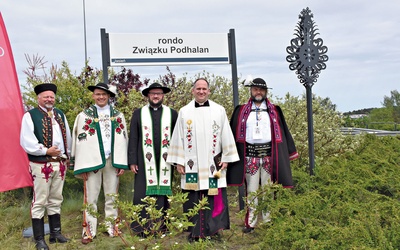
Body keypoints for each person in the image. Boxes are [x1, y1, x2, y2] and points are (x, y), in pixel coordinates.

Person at [167, 78, 239, 241]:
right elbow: (178, 137)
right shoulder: (184, 111)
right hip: (192, 165)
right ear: (193, 91)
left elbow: (226, 134)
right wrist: (179, 160)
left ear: (209, 91)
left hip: (212, 163)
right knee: (193, 196)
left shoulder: (219, 110)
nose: (201, 91)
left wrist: (226, 158)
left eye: (204, 89)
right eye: (198, 89)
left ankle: (213, 231)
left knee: (213, 197)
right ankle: (195, 232)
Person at [228, 77, 299, 233]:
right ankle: (251, 223)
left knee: (268, 190)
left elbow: (284, 132)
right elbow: (232, 132)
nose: (258, 92)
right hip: (250, 156)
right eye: (255, 89)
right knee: (252, 190)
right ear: (251, 91)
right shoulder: (241, 111)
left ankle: (268, 221)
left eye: (261, 89)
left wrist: (289, 152)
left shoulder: (275, 111)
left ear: (266, 92)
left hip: (269, 156)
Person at [70, 83, 129, 244]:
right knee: (91, 198)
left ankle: (112, 228)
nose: (101, 97)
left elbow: (123, 140)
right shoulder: (84, 116)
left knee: (112, 197)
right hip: (91, 163)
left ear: (109, 96)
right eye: (97, 94)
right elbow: (80, 141)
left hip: (112, 162)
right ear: (93, 96)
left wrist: (122, 163)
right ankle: (89, 231)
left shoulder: (118, 115)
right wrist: (81, 165)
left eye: (104, 94)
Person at [20, 83, 71, 250]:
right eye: (46, 96)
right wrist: (45, 150)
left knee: (56, 198)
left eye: (51, 97)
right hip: (41, 164)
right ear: (38, 98)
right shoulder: (30, 116)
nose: (49, 99)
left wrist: (67, 155)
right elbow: (26, 141)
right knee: (40, 200)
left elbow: (67, 137)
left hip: (60, 163)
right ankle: (39, 239)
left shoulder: (60, 114)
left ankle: (55, 233)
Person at [128, 82, 178, 237]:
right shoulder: (138, 113)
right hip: (144, 161)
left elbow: (177, 139)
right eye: (153, 93)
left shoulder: (172, 114)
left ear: (163, 95)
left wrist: (177, 159)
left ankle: (163, 226)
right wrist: (132, 160)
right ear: (148, 95)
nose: (156, 96)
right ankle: (142, 227)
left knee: (163, 194)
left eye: (159, 93)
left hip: (165, 161)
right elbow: (134, 137)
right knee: (142, 193)